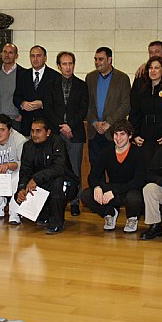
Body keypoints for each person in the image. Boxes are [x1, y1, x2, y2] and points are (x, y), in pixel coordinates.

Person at [15, 118, 79, 234]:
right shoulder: (27, 146)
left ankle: (57, 222)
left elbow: (59, 168)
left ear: (48, 132)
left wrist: (35, 178)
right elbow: (25, 171)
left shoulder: (57, 142)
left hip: (65, 183)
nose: (34, 135)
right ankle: (44, 213)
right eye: (32, 131)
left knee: (58, 182)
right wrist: (22, 188)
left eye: (38, 131)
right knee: (19, 194)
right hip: (41, 184)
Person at [44, 51, 88, 216]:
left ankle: (75, 202)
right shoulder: (51, 84)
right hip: (56, 133)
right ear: (59, 66)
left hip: (75, 133)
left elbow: (83, 109)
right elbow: (48, 108)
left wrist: (70, 126)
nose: (68, 67)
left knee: (75, 169)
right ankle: (56, 201)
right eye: (64, 64)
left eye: (70, 64)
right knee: (55, 168)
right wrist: (61, 126)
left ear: (74, 65)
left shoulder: (82, 85)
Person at [82, 119, 146, 233]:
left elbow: (138, 181)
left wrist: (114, 192)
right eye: (116, 134)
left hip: (130, 190)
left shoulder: (138, 153)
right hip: (111, 190)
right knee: (86, 195)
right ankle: (109, 213)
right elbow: (93, 176)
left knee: (134, 197)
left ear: (130, 136)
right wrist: (97, 187)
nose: (118, 138)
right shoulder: (106, 152)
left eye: (122, 134)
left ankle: (132, 218)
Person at [85, 47, 131, 176]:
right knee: (95, 169)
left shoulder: (122, 78)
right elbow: (85, 104)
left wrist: (108, 123)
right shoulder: (90, 78)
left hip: (114, 132)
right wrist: (94, 122)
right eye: (95, 59)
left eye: (101, 59)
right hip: (94, 132)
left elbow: (126, 105)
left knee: (115, 170)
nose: (97, 62)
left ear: (109, 60)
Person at [130, 56, 162, 164]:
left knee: (159, 165)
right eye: (150, 68)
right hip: (144, 134)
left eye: (157, 68)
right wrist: (135, 134)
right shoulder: (142, 89)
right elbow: (135, 112)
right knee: (144, 165)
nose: (153, 71)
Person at [13, 45, 60, 136]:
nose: (35, 59)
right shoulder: (23, 75)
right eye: (32, 56)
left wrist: (43, 104)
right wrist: (23, 103)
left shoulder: (55, 76)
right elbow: (16, 97)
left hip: (47, 126)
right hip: (27, 125)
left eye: (38, 56)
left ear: (45, 58)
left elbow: (58, 100)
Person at [0, 43, 24, 131]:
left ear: (16, 56)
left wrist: (22, 114)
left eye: (10, 52)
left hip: (15, 119)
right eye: (4, 52)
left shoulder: (23, 74)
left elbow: (27, 96)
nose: (7, 55)